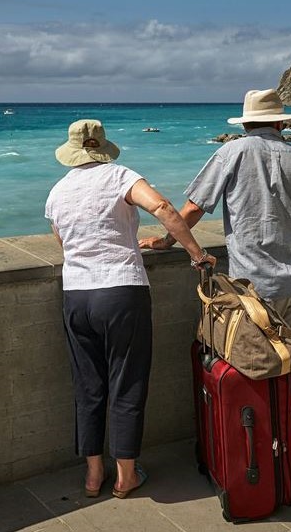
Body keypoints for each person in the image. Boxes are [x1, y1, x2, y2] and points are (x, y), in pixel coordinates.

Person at [140, 89, 291, 433]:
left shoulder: (231, 152)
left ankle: (258, 452)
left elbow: (195, 207)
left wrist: (167, 240)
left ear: (245, 123)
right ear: (280, 122)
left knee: (256, 366)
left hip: (256, 285)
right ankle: (288, 450)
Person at [45, 119, 217, 500]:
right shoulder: (120, 176)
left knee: (88, 386)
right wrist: (197, 254)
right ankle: (125, 475)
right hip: (121, 291)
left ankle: (92, 475)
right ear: (103, 148)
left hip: (77, 295)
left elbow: (66, 243)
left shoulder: (57, 193)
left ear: (72, 152)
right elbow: (162, 206)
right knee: (127, 381)